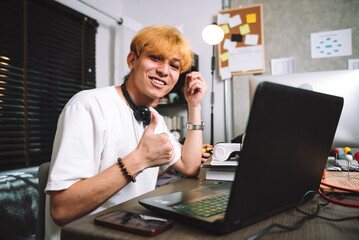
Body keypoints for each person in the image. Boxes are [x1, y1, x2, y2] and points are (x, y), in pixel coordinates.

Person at [44, 25, 208, 240]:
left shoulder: (153, 117)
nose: (164, 70)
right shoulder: (88, 105)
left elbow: (190, 165)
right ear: (132, 60)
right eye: (156, 58)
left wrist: (194, 106)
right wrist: (139, 160)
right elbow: (61, 210)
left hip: (133, 229)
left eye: (174, 66)